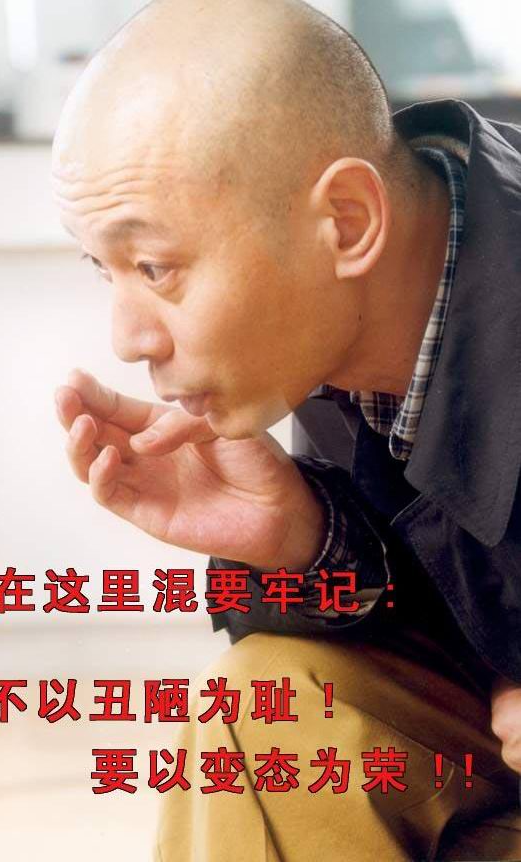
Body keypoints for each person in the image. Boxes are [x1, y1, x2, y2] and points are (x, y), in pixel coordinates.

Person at [51, 0, 521, 858]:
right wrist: (307, 541)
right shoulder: (349, 316)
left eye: (155, 266)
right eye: (103, 268)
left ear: (348, 221)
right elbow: (467, 595)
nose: (128, 339)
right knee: (266, 704)